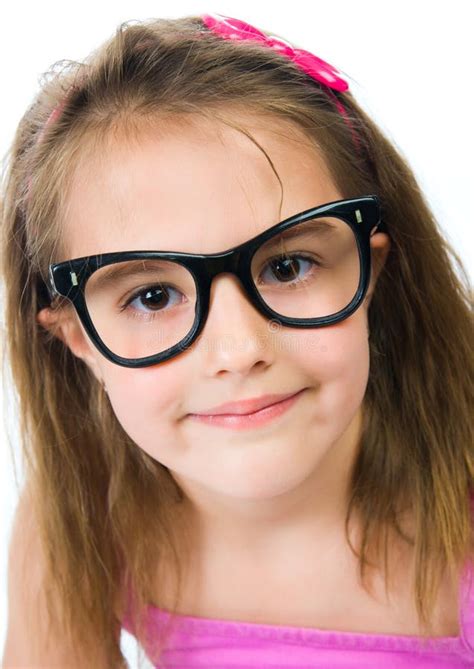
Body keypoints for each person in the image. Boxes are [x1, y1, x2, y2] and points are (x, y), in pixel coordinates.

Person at [1, 11, 473, 669]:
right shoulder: (82, 520)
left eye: (286, 266)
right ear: (79, 339)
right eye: (152, 296)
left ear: (371, 272)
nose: (238, 349)